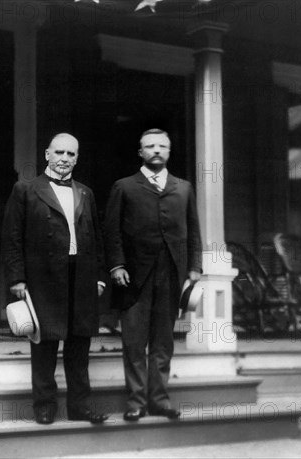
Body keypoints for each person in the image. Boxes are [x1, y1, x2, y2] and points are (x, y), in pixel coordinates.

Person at [1, 133, 108, 425]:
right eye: (59, 152)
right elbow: (12, 239)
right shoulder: (26, 189)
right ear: (47, 154)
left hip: (82, 275)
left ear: (77, 158)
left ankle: (80, 407)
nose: (64, 158)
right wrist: (17, 279)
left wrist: (99, 276)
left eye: (71, 154)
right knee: (45, 345)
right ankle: (45, 406)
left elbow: (96, 238)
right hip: (43, 277)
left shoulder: (85, 192)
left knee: (79, 345)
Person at [104, 128, 202, 422]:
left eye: (162, 146)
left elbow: (194, 231)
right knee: (134, 342)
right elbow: (112, 232)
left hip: (171, 274)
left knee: (163, 340)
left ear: (169, 152)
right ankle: (136, 402)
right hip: (134, 277)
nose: (156, 150)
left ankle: (159, 399)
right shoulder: (124, 187)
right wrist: (117, 265)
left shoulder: (183, 188)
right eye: (150, 146)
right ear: (140, 152)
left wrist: (195, 267)